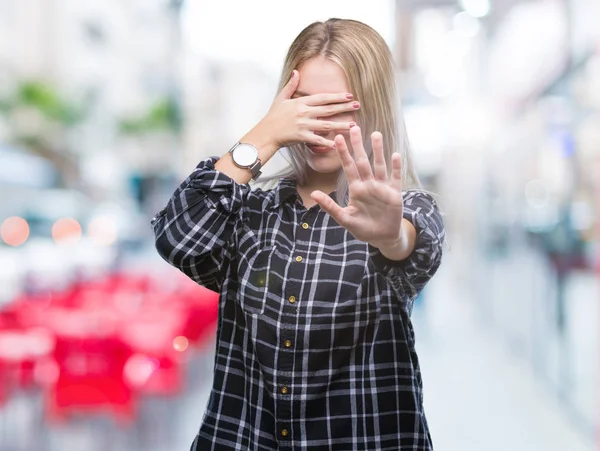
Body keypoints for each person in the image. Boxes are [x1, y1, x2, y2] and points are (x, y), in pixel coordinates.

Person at [152, 18, 445, 451]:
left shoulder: (408, 209)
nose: (320, 124)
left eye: (339, 107)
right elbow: (178, 236)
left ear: (373, 105)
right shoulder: (250, 211)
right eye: (305, 105)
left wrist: (390, 235)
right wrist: (261, 137)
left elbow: (412, 246)